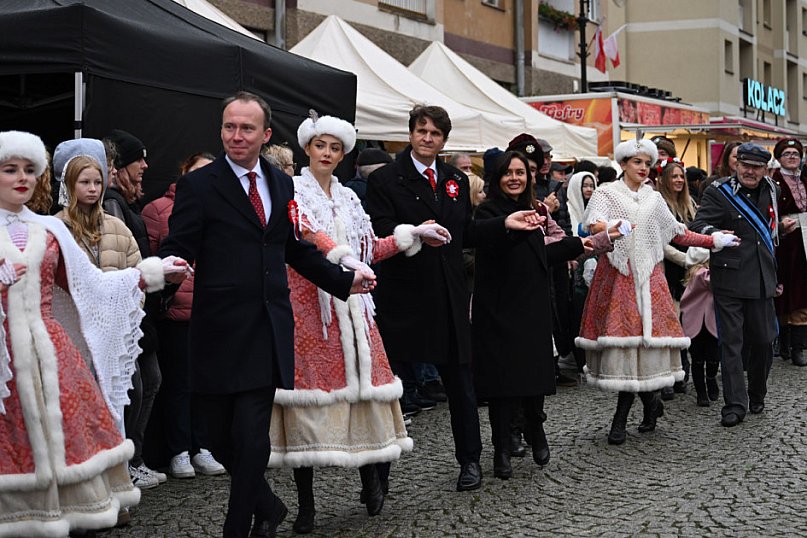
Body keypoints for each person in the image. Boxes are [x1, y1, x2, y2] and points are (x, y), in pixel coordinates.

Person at [157, 91, 375, 538]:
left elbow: (291, 248)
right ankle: (269, 504)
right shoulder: (199, 186)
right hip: (218, 330)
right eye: (229, 127)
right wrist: (167, 271)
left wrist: (342, 280)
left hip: (268, 327)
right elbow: (179, 245)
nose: (236, 136)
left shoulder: (279, 184)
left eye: (246, 128)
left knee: (253, 436)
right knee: (219, 437)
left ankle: (237, 528)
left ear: (266, 134)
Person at [0, 130, 189, 536]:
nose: (21, 177)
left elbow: (92, 285)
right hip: (5, 357)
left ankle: (61, 514)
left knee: (68, 435)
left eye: (29, 170)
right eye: (9, 169)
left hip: (48, 349)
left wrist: (150, 273)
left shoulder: (48, 231)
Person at [269, 113, 448, 533]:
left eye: (335, 148)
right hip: (313, 313)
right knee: (307, 408)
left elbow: (370, 249)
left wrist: (413, 235)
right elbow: (308, 237)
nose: (327, 154)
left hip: (356, 314)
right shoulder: (293, 192)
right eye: (320, 146)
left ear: (344, 154)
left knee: (366, 399)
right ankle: (307, 504)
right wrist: (344, 260)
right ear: (307, 149)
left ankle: (370, 480)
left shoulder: (350, 198)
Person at [365, 105, 542, 493]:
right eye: (421, 131)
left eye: (435, 133)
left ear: (444, 139)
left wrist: (504, 224)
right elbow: (376, 236)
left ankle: (470, 461)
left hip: (449, 298)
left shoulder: (455, 180)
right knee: (388, 390)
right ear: (410, 133)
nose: (428, 138)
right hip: (404, 299)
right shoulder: (386, 180)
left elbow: (465, 233)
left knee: (461, 387)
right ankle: (377, 473)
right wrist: (412, 233)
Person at [578, 137, 738, 444]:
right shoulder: (605, 192)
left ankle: (632, 415)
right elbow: (593, 223)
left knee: (645, 350)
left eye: (647, 163)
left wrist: (713, 240)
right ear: (623, 164)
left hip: (650, 280)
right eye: (636, 162)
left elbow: (678, 232)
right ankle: (642, 409)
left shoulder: (653, 198)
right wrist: (613, 226)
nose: (642, 168)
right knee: (627, 349)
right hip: (617, 279)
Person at [472, 151, 590, 479]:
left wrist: (581, 243)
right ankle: (501, 450)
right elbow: (483, 238)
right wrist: (509, 228)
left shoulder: (535, 210)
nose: (515, 178)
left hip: (531, 305)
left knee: (535, 376)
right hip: (497, 307)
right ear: (497, 177)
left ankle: (536, 431)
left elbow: (541, 253)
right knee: (502, 384)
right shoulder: (488, 211)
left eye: (520, 173)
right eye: (508, 172)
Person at [690, 143, 793, 427]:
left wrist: (781, 228)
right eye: (745, 165)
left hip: (762, 279)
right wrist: (714, 234)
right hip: (730, 278)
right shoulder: (718, 191)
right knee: (731, 344)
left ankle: (757, 391)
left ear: (765, 169)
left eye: (756, 167)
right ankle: (734, 404)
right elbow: (698, 225)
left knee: (762, 341)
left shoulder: (773, 189)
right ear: (736, 165)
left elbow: (768, 233)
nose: (750, 171)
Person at [141, 151, 226, 480]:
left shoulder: (221, 208)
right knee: (178, 384)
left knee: (205, 384)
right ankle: (178, 451)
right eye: (198, 172)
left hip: (211, 311)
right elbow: (151, 259)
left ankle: (202, 447)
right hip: (175, 311)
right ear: (184, 172)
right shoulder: (157, 210)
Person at [103, 128, 165, 489]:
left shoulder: (125, 203)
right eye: (137, 159)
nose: (145, 165)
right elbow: (120, 261)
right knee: (137, 386)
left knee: (148, 381)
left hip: (137, 309)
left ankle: (133, 460)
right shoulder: (114, 204)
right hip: (127, 311)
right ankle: (129, 462)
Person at [657, 160, 698, 398]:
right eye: (674, 177)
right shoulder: (659, 205)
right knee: (670, 326)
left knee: (686, 325)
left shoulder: (690, 205)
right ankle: (669, 377)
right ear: (664, 180)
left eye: (681, 177)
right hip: (668, 271)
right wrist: (686, 258)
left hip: (688, 273)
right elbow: (661, 245)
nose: (679, 181)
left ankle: (683, 372)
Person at [770, 138, 807, 366]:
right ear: (779, 157)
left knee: (803, 289)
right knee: (785, 289)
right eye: (787, 153)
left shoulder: (805, 179)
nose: (792, 157)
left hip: (806, 239)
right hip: (786, 241)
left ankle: (799, 347)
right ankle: (784, 342)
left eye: (795, 153)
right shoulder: (773, 182)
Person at [679, 247, 720, 406]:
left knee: (711, 357)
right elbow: (712, 280)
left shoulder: (700, 273)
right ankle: (701, 392)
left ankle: (709, 380)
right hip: (697, 323)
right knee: (698, 359)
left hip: (709, 322)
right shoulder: (700, 274)